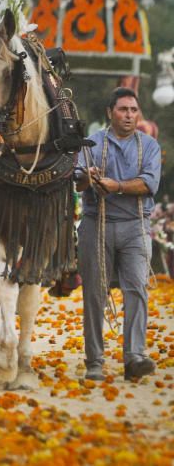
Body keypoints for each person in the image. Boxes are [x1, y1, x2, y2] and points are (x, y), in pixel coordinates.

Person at [74, 88, 160, 382]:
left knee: (137, 289)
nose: (129, 115)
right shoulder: (91, 143)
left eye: (134, 110)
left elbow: (149, 184)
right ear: (110, 112)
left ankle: (134, 357)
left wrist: (116, 186)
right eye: (123, 109)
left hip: (136, 226)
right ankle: (94, 361)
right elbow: (77, 182)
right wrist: (89, 176)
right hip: (95, 223)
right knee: (95, 294)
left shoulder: (148, 146)